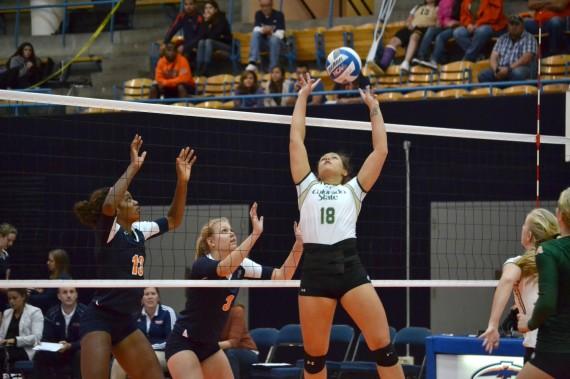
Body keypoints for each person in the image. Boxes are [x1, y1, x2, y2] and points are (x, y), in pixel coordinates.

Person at [289, 74, 404, 379]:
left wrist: (374, 107)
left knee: (383, 346)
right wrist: (302, 96)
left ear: (344, 171)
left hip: (349, 265)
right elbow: (296, 138)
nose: (326, 158)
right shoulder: (307, 186)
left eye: (333, 158)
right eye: (323, 158)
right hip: (315, 269)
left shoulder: (354, 189)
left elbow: (380, 151)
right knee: (314, 359)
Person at [73, 134, 196, 379]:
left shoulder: (139, 231)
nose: (136, 201)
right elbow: (108, 205)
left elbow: (174, 219)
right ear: (118, 208)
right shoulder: (110, 231)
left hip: (125, 320)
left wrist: (182, 182)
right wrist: (133, 168)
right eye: (129, 199)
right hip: (99, 317)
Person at [165, 204, 304, 379]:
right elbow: (224, 269)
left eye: (231, 230)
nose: (231, 233)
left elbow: (282, 276)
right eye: (224, 231)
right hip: (183, 342)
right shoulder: (202, 265)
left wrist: (299, 244)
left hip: (209, 345)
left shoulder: (242, 266)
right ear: (211, 242)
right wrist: (254, 235)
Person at [479, 208, 559, 362]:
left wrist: (493, 324)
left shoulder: (518, 263)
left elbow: (507, 280)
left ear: (529, 235)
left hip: (540, 347)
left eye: (524, 225)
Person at [517, 187, 570, 379]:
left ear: (560, 216)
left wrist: (529, 324)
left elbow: (547, 301)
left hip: (554, 349)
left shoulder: (548, 251)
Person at [111, 287, 177, 379]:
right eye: (147, 294)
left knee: (141, 361)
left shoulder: (167, 312)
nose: (150, 297)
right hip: (139, 352)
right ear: (142, 298)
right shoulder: (134, 313)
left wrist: (148, 348)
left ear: (158, 298)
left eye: (153, 294)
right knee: (118, 362)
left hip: (162, 354)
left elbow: (172, 341)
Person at [33, 287, 86, 379]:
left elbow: (87, 339)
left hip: (75, 350)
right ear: (59, 296)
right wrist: (57, 346)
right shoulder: (52, 313)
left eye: (71, 292)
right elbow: (46, 337)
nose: (68, 295)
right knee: (39, 355)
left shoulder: (85, 313)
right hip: (57, 350)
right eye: (65, 292)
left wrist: (70, 345)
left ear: (76, 295)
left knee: (80, 354)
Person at [376, 0, 439, 72]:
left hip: (424, 29)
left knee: (414, 37)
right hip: (411, 27)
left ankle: (406, 62)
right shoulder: (417, 7)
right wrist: (409, 24)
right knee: (394, 40)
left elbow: (438, 24)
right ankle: (384, 64)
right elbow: (409, 19)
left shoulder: (438, 8)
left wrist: (427, 25)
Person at [478, 15, 537, 82]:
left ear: (522, 26)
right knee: (483, 75)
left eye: (517, 24)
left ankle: (505, 89)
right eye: (511, 24)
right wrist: (496, 70)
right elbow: (493, 57)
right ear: (508, 26)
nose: (514, 27)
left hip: (520, 68)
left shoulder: (529, 38)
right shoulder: (502, 38)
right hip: (501, 69)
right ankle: (500, 90)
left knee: (517, 73)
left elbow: (526, 59)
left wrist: (508, 69)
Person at [0, 289, 43, 374]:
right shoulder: (7, 313)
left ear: (23, 297)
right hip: (5, 347)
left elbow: (36, 337)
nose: (11, 301)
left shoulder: (35, 312)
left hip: (24, 349)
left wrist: (14, 341)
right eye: (9, 299)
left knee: (2, 355)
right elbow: (1, 335)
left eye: (14, 298)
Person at [413, 0, 460, 69]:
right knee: (431, 30)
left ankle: (434, 61)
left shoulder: (458, 2)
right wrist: (439, 22)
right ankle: (421, 57)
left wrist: (454, 23)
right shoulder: (441, 2)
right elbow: (440, 17)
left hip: (455, 27)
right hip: (444, 26)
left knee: (440, 37)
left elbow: (461, 17)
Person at [219, 304, 259, 379]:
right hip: (223, 351)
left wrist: (211, 346)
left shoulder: (237, 311)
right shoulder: (210, 315)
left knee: (230, 354)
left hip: (247, 351)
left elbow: (234, 342)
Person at [245, 0, 286, 72]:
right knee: (255, 34)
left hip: (278, 44)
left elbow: (280, 34)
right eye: (262, 6)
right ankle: (253, 62)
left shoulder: (279, 15)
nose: (265, 8)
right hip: (264, 43)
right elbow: (256, 29)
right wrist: (264, 30)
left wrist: (270, 32)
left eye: (267, 5)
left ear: (271, 5)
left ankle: (273, 67)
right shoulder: (258, 14)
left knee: (274, 39)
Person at [163, 0, 205, 68]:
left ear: (195, 5)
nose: (188, 7)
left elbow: (200, 36)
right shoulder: (182, 15)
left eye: (190, 4)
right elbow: (173, 28)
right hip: (186, 44)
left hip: (198, 45)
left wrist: (185, 46)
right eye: (186, 4)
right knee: (166, 51)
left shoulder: (200, 17)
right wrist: (165, 42)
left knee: (184, 56)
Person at [28, 248, 72, 313]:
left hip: (55, 313)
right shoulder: (55, 276)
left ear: (58, 263)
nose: (47, 263)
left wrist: (27, 297)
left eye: (51, 261)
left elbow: (47, 299)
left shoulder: (62, 278)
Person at [195, 0, 233, 76]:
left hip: (225, 46)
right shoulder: (205, 20)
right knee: (201, 42)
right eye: (206, 8)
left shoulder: (221, 19)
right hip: (211, 45)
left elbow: (214, 36)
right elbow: (201, 36)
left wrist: (207, 23)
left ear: (216, 10)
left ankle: (206, 68)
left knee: (208, 41)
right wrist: (205, 23)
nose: (208, 10)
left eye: (210, 8)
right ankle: (198, 68)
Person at [0, 223, 17, 317]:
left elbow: (6, 280)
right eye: (8, 240)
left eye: (12, 241)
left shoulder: (6, 255)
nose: (10, 244)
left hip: (2, 299)